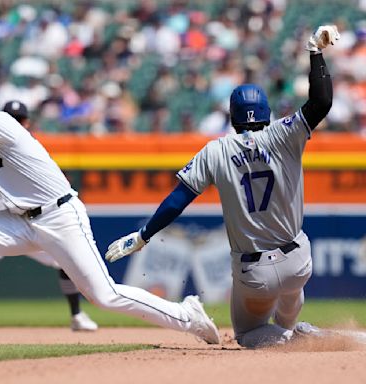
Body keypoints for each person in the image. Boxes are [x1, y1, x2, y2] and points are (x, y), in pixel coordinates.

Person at [0, 78, 219, 345]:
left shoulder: (1, 122)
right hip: (21, 221)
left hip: (60, 216)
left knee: (104, 296)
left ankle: (186, 315)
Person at [105, 25, 340, 348]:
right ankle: (296, 329)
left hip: (254, 271)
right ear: (265, 112)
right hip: (298, 260)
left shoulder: (216, 150)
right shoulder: (285, 134)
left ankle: (290, 337)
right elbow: (322, 101)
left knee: (247, 334)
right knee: (291, 289)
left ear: (233, 116)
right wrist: (315, 52)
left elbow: (177, 200)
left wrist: (144, 236)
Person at [0, 100, 97, 332]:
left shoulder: (31, 147)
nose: (14, 122)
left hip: (39, 218)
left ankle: (77, 314)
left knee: (65, 261)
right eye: (10, 118)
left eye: (19, 119)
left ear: (27, 122)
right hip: (3, 218)